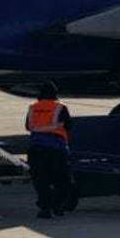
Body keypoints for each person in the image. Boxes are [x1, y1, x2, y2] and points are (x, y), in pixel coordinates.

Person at [24, 82, 73, 219]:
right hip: (56, 149)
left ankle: (45, 209)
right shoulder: (60, 108)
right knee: (62, 180)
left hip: (36, 149)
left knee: (41, 181)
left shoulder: (33, 108)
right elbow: (69, 126)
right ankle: (57, 205)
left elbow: (28, 126)